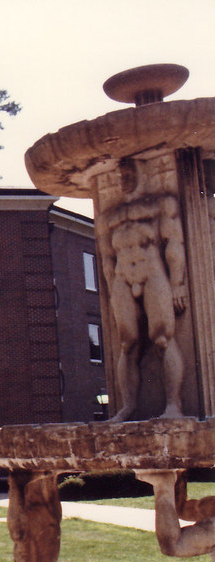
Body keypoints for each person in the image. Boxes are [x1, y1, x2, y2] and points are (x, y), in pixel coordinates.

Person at [97, 158, 187, 422]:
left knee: (162, 338)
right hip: (123, 278)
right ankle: (128, 406)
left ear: (141, 174)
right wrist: (112, 288)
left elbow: (174, 245)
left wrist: (177, 283)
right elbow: (106, 259)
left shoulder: (160, 205)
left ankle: (174, 405)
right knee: (127, 344)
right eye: (120, 176)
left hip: (153, 273)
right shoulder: (108, 218)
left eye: (128, 174)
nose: (123, 180)